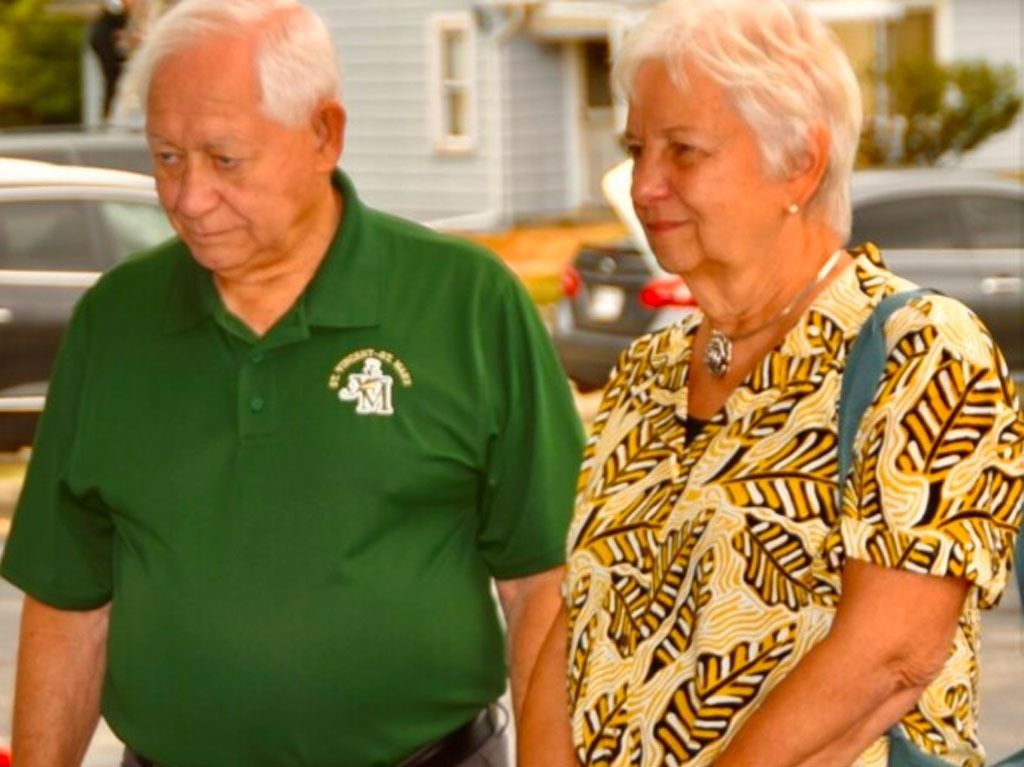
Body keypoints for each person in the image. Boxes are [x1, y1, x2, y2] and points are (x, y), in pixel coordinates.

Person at [1, 1, 584, 765]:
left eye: (224, 158)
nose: (187, 197)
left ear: (323, 135)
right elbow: (68, 600)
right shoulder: (114, 321)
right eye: (165, 157)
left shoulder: (468, 303)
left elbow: (545, 584)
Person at [521, 1, 1024, 765]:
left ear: (800, 163)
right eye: (636, 147)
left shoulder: (918, 352)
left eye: (684, 150)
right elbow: (580, 615)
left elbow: (892, 656)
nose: (644, 184)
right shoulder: (646, 375)